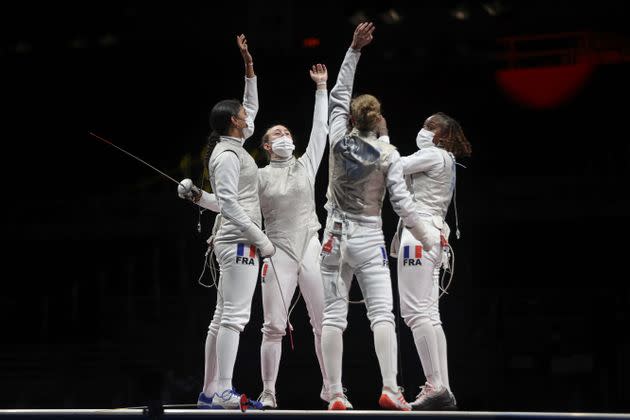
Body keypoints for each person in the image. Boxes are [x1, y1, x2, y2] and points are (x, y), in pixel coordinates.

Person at [183, 64, 336, 408]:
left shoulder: (306, 164)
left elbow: (321, 129)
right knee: (271, 325)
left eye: (286, 132)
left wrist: (321, 89)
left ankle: (333, 388)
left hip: (309, 243)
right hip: (272, 247)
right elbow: (229, 203)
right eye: (276, 134)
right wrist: (201, 200)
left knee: (323, 320)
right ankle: (267, 391)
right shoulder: (258, 175)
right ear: (265, 145)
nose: (284, 135)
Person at [319, 22, 434, 411]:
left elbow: (338, 96)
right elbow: (402, 204)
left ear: (352, 120)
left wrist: (353, 50)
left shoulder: (339, 138)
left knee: (334, 316)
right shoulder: (390, 155)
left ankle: (334, 391)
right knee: (381, 313)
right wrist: (430, 238)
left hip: (334, 238)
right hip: (368, 238)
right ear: (378, 119)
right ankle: (390, 387)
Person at [178, 34, 274, 410]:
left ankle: (207, 391)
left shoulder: (230, 146)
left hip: (233, 239)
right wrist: (260, 238)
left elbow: (223, 202)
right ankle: (222, 391)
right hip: (238, 242)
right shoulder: (228, 156)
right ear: (234, 121)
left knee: (221, 319)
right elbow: (233, 205)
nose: (249, 117)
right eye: (243, 115)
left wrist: (249, 67)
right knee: (235, 317)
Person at [392, 112, 471, 410]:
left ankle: (435, 384)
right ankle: (443, 386)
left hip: (419, 235)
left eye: (428, 127)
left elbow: (395, 166)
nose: (422, 130)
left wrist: (377, 145)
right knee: (430, 314)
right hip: (433, 235)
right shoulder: (446, 160)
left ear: (440, 135)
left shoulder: (435, 155)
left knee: (414, 314)